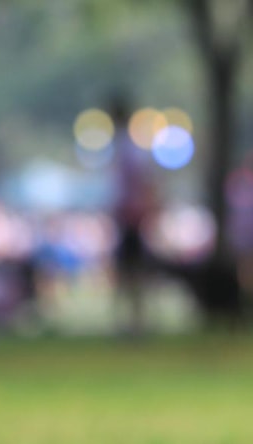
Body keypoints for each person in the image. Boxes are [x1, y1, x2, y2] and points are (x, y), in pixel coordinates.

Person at [108, 92, 158, 336]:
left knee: (132, 273)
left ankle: (135, 324)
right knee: (130, 273)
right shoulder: (125, 147)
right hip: (129, 218)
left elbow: (143, 183)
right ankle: (132, 323)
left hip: (132, 219)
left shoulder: (128, 148)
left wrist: (142, 211)